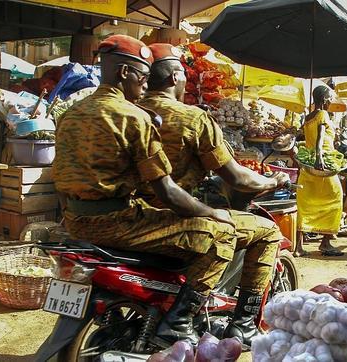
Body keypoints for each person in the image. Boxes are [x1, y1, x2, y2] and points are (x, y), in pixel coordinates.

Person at [53, 35, 239, 347]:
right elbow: (166, 190)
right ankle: (179, 323)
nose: (144, 84)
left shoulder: (70, 114)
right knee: (221, 236)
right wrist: (213, 213)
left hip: (75, 221)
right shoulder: (133, 117)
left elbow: (61, 177)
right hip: (118, 222)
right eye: (141, 76)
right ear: (124, 73)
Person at [136, 43, 289, 346]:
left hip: (130, 216)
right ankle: (241, 325)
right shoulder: (192, 118)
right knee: (268, 232)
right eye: (182, 75)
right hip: (173, 217)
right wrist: (272, 181)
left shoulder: (129, 112)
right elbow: (235, 177)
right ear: (174, 78)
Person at [295, 85, 344, 256]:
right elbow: (321, 136)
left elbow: (305, 137)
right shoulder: (323, 114)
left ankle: (298, 247)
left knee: (305, 204)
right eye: (330, 98)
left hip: (308, 167)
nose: (331, 101)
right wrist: (319, 156)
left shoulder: (308, 117)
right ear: (324, 99)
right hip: (322, 166)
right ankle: (325, 242)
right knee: (336, 198)